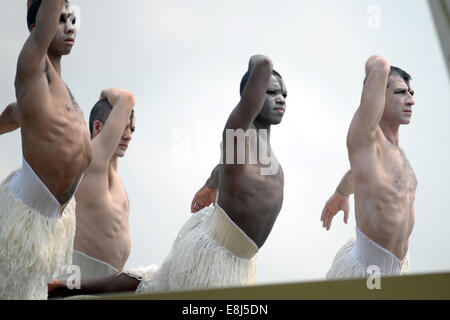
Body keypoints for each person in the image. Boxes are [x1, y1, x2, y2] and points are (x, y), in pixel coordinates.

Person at [48, 54, 287, 297]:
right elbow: (263, 63)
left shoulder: (261, 154)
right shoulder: (238, 132)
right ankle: (65, 287)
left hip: (239, 264)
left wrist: (210, 184)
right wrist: (259, 70)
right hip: (213, 257)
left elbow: (226, 167)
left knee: (154, 282)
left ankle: (64, 287)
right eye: (272, 92)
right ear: (253, 95)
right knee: (156, 283)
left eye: (284, 95)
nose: (281, 99)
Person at [0, 0, 93, 299]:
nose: (69, 26)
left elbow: (15, 112)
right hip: (22, 219)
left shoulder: (55, 91)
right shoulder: (32, 64)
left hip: (50, 229)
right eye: (60, 19)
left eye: (72, 19)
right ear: (36, 28)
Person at [320, 55, 415, 279]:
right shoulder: (366, 137)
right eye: (401, 92)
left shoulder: (392, 151)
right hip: (367, 275)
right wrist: (381, 71)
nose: (410, 100)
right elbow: (378, 65)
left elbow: (360, 172)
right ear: (378, 97)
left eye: (411, 93)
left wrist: (340, 194)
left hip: (395, 271)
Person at [72, 88, 135, 280]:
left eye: (131, 129)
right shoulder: (92, 160)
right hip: (79, 279)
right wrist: (103, 94)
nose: (128, 136)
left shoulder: (115, 176)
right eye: (123, 127)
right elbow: (126, 98)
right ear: (99, 128)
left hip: (107, 283)